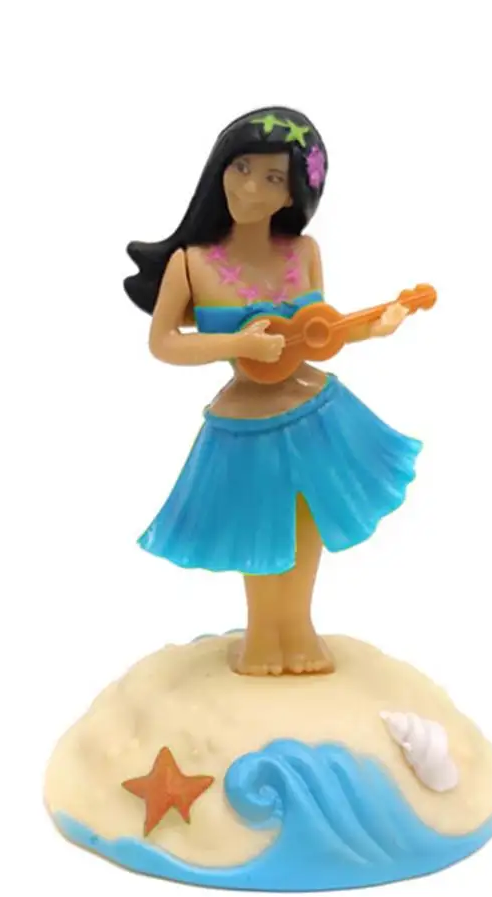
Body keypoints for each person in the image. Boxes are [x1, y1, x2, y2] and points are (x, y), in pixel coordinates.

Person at [124, 106, 422, 676]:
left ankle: (298, 628)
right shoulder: (192, 264)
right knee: (262, 527)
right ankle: (263, 634)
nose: (249, 188)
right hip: (246, 423)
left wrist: (373, 326)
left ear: (293, 194)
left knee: (307, 521)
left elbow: (317, 333)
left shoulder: (303, 253)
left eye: (271, 178)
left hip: (314, 411)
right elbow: (163, 342)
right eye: (240, 168)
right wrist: (237, 345)